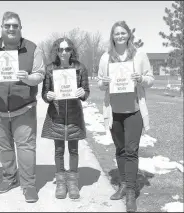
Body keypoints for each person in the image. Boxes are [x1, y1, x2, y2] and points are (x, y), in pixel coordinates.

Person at [0, 11, 45, 203]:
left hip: (24, 108)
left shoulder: (33, 49)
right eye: (7, 25)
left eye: (15, 25)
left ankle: (29, 185)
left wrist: (28, 78)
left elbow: (40, 74)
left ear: (20, 28)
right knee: (4, 148)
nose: (11, 28)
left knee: (26, 148)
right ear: (2, 28)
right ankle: (9, 177)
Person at [97, 21, 154, 212]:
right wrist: (103, 82)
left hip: (134, 111)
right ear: (112, 36)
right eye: (116, 33)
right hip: (114, 111)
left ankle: (130, 191)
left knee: (131, 150)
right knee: (120, 149)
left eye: (123, 33)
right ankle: (122, 184)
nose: (120, 36)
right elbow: (99, 82)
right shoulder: (106, 57)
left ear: (129, 35)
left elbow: (150, 79)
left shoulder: (139, 55)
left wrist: (141, 79)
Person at [41, 38, 90, 200]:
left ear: (72, 51)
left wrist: (83, 94)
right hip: (57, 115)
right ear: (56, 51)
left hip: (74, 115)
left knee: (74, 150)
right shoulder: (50, 69)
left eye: (67, 49)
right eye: (61, 49)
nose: (64, 52)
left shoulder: (80, 68)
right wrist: (48, 96)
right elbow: (44, 93)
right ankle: (61, 182)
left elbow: (86, 91)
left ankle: (73, 182)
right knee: (59, 150)